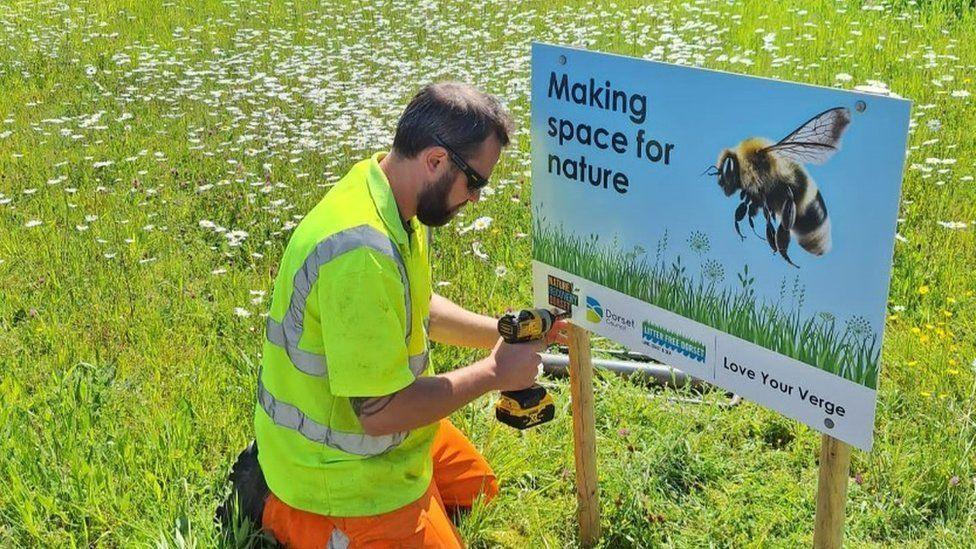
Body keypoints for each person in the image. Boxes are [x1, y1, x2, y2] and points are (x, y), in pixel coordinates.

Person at [246, 82, 567, 548]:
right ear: (436, 159)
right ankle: (273, 504)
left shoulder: (391, 193)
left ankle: (416, 502)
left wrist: (502, 332)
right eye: (474, 181)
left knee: (479, 490)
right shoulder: (360, 253)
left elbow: (422, 306)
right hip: (336, 474)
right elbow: (380, 413)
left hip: (391, 439)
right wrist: (496, 372)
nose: (476, 198)